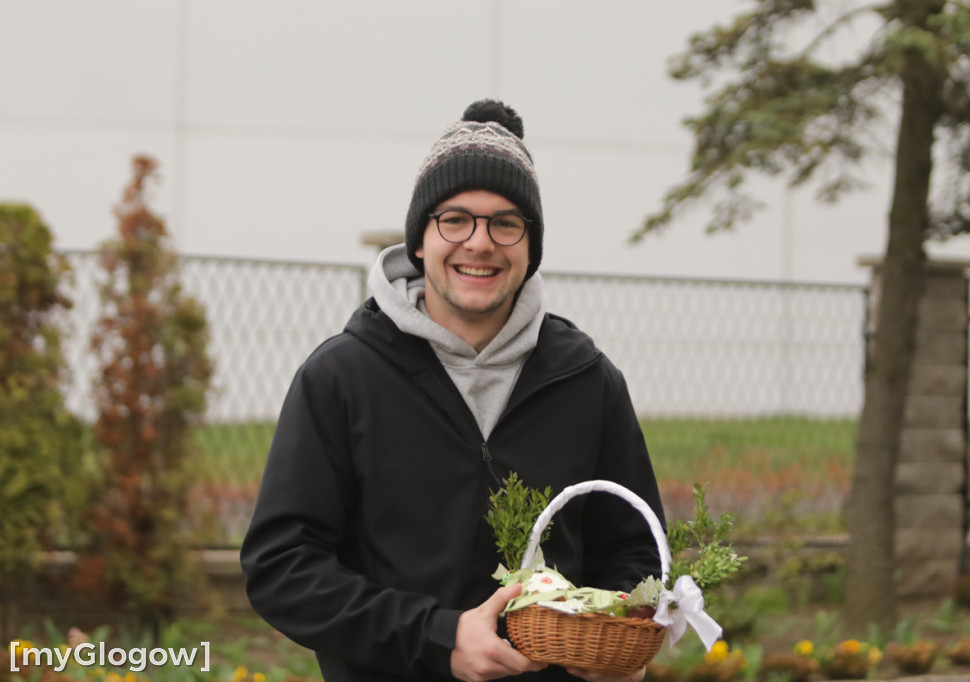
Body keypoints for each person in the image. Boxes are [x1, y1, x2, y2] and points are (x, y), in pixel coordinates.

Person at [240, 99, 666, 682]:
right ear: (420, 239)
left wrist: (613, 637)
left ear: (530, 246)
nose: (480, 242)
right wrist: (436, 637)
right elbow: (283, 569)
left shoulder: (587, 380)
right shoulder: (342, 378)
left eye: (505, 222)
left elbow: (633, 549)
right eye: (455, 219)